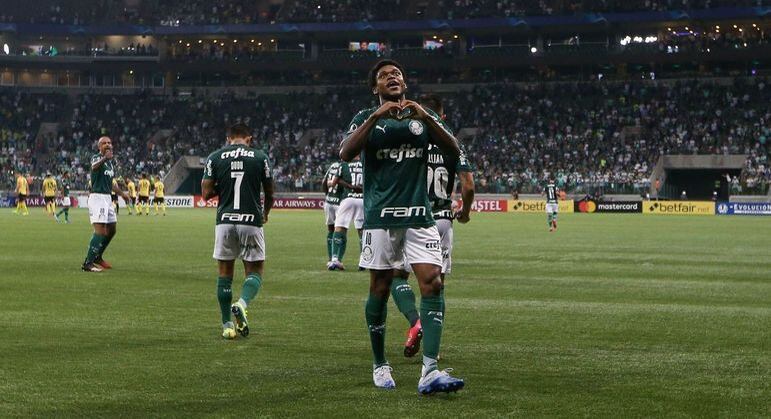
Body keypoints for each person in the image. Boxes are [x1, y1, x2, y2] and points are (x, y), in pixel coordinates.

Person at [340, 59, 464, 394]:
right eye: (384, 76)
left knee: (433, 283)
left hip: (419, 214)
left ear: (405, 83)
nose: (392, 77)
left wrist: (427, 118)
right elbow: (346, 153)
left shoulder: (422, 116)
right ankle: (380, 363)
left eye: (396, 74)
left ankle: (430, 371)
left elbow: (453, 149)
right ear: (375, 88)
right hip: (380, 217)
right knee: (380, 289)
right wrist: (375, 117)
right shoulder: (365, 118)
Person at [390, 94, 475, 358]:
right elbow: (468, 185)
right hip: (442, 220)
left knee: (396, 276)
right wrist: (465, 212)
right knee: (437, 286)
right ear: (442, 116)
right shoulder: (452, 144)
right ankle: (432, 348)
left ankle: (415, 321)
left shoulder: (410, 140)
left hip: (413, 216)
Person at [201, 123, 274, 340]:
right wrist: (265, 213)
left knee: (224, 274)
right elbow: (270, 193)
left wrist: (222, 186)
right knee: (255, 271)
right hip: (250, 220)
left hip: (224, 221)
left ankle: (227, 326)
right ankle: (242, 303)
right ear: (249, 139)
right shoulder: (260, 157)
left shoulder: (215, 157)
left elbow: (206, 194)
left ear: (228, 139)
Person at [82, 136, 130, 272]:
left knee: (112, 229)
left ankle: (98, 256)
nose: (107, 145)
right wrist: (104, 158)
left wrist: (122, 194)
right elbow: (94, 167)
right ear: (99, 147)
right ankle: (87, 263)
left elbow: (111, 184)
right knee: (100, 231)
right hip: (97, 197)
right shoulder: (97, 158)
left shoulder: (110, 163)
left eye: (109, 143)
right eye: (104, 143)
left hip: (107, 198)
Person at [329, 155, 364, 271]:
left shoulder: (344, 164)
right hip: (363, 199)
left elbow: (334, 182)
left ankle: (335, 259)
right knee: (362, 231)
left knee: (339, 228)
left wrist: (350, 186)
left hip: (347, 199)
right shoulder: (366, 163)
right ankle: (364, 261)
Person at [322, 160, 343, 268]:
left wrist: (327, 195)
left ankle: (330, 259)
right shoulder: (345, 167)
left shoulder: (333, 165)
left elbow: (324, 182)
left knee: (330, 229)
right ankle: (337, 259)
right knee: (341, 231)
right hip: (340, 202)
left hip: (329, 201)